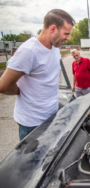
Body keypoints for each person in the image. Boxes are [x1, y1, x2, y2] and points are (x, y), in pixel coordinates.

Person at [0, 9, 75, 141]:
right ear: (53, 29)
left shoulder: (55, 48)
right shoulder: (29, 51)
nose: (68, 38)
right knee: (32, 161)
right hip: (32, 123)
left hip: (51, 116)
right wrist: (21, 91)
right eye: (66, 33)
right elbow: (3, 86)